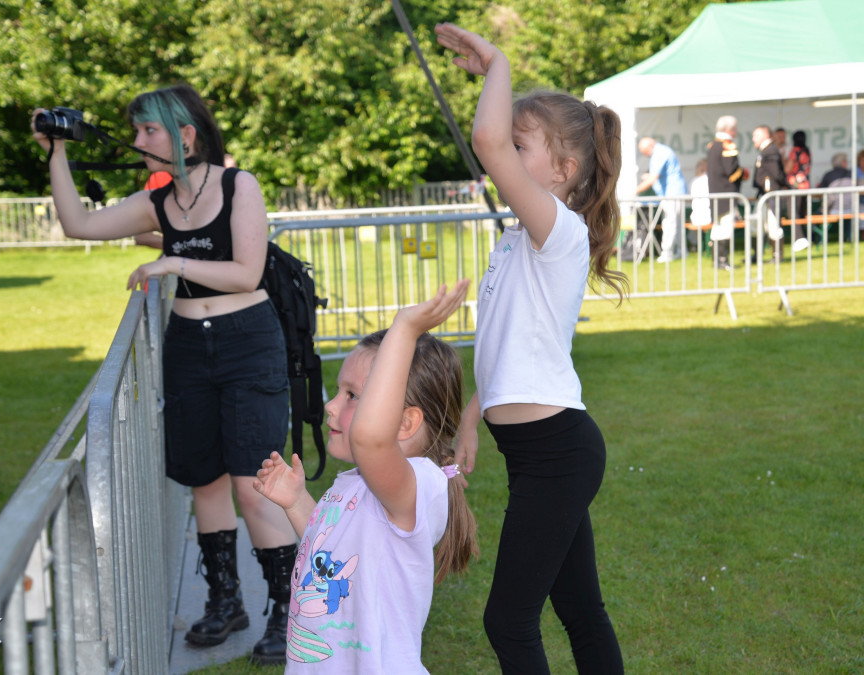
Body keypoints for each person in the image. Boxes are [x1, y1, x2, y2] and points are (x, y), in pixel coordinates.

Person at [31, 82, 297, 665]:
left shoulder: (238, 185)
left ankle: (289, 609)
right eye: (136, 131)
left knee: (254, 483)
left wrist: (174, 259)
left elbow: (248, 273)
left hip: (246, 343)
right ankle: (225, 600)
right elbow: (78, 223)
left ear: (184, 134)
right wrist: (57, 153)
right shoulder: (159, 200)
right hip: (187, 347)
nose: (137, 141)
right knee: (203, 479)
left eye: (148, 131)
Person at [435, 23, 626, 675]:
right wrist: (470, 417)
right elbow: (504, 343)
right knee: (579, 608)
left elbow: (486, 140)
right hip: (538, 450)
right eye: (513, 146)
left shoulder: (558, 231)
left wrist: (498, 64)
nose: (505, 156)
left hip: (557, 451)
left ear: (565, 170)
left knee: (508, 620)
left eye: (523, 147)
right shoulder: (519, 237)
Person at [253, 281, 479, 672]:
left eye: (353, 396)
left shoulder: (417, 484)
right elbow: (335, 553)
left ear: (405, 422)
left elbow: (371, 439)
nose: (331, 405)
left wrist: (405, 329)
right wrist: (298, 501)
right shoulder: (354, 484)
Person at [635, 137, 687, 263]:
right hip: (674, 192)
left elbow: (653, 178)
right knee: (676, 224)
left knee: (670, 223)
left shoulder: (660, 153)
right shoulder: (663, 151)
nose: (643, 154)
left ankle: (667, 252)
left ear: (649, 147)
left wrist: (635, 191)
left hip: (672, 193)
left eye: (643, 151)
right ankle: (680, 251)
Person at [706, 115, 748, 270]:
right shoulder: (727, 146)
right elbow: (732, 171)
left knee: (717, 227)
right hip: (727, 193)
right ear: (729, 129)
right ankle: (722, 261)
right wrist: (744, 173)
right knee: (725, 227)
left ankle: (718, 260)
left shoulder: (713, 146)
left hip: (715, 193)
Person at [751, 125, 788, 261]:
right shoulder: (766, 151)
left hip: (771, 196)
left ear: (764, 135)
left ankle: (777, 256)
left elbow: (776, 174)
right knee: (757, 225)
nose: (753, 139)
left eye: (755, 135)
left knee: (773, 226)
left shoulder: (770, 151)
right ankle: (757, 256)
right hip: (764, 196)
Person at [784, 129, 812, 252]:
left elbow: (787, 169)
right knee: (801, 213)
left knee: (792, 212)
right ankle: (807, 237)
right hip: (805, 185)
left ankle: (800, 239)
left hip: (794, 185)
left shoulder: (794, 152)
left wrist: (783, 160)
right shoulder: (807, 151)